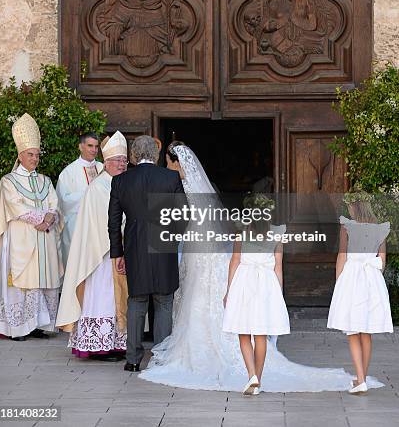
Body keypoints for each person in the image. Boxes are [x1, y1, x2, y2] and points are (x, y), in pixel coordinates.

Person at [139, 143, 384, 392]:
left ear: (176, 163)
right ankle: (260, 374)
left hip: (201, 246)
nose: (167, 167)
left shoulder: (186, 189)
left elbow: (208, 235)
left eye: (169, 163)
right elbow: (275, 265)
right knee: (243, 323)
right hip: (206, 250)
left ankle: (250, 374)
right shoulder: (271, 234)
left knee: (215, 309)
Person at [108, 135, 185, 372]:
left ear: (133, 155)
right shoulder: (170, 177)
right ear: (156, 155)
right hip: (163, 246)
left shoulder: (121, 181)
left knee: (136, 301)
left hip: (135, 246)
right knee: (163, 301)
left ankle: (132, 360)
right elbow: (182, 216)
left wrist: (118, 253)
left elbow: (113, 221)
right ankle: (160, 359)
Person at [56, 131, 128, 361]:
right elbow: (105, 222)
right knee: (103, 295)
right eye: (116, 160)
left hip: (116, 251)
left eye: (124, 160)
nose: (120, 164)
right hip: (101, 254)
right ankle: (99, 346)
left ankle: (115, 342)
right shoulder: (100, 187)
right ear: (106, 163)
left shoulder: (119, 183)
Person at [0, 113, 63, 341]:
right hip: (21, 241)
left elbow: (54, 202)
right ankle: (18, 327)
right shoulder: (8, 181)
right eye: (31, 155)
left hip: (45, 240)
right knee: (22, 281)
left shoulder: (45, 180)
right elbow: (15, 206)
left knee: (43, 280)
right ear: (20, 155)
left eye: (37, 155)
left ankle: (39, 325)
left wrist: (50, 218)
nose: (35, 159)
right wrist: (40, 221)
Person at [327, 196, 393, 394]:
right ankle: (361, 378)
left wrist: (339, 282)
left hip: (352, 278)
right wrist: (372, 278)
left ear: (355, 207)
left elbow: (342, 255)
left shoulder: (347, 227)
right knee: (366, 331)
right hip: (372, 280)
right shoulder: (380, 229)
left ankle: (361, 379)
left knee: (353, 331)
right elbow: (381, 261)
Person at [222, 222, 290, 395]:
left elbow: (235, 262)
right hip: (267, 285)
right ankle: (257, 380)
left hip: (244, 283)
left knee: (243, 333)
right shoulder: (277, 235)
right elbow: (278, 266)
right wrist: (279, 294)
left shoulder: (241, 235)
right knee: (261, 335)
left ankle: (252, 375)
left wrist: (229, 291)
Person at [56, 133, 103, 266]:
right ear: (80, 147)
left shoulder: (102, 168)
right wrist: (89, 193)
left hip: (100, 226)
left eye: (96, 146)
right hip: (77, 226)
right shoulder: (69, 172)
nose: (94, 150)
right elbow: (63, 202)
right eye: (90, 146)